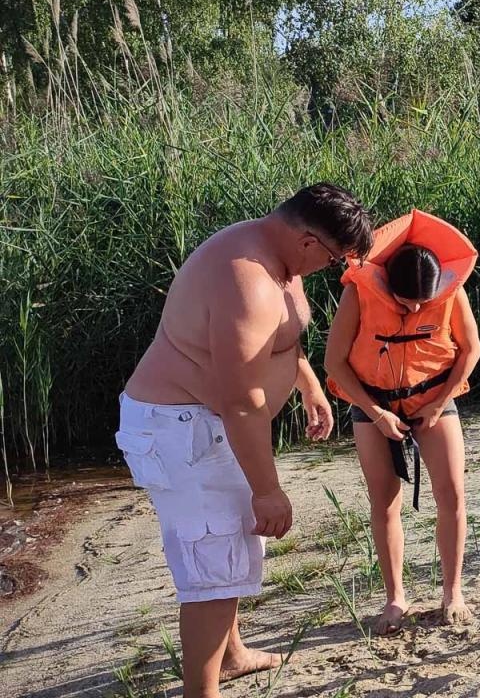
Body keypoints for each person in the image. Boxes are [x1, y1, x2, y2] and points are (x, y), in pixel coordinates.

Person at [118, 183, 373, 698]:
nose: (328, 267)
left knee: (230, 546)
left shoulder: (271, 251)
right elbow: (240, 402)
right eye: (330, 257)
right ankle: (202, 691)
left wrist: (306, 382)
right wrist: (267, 489)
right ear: (306, 241)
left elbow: (279, 337)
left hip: (208, 428)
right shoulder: (246, 279)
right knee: (212, 566)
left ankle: (231, 655)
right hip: (183, 431)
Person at [323, 209, 480, 634]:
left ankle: (453, 594)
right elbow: (334, 362)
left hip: (432, 399)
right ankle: (395, 599)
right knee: (384, 500)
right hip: (371, 403)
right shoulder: (359, 293)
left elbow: (470, 352)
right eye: (404, 301)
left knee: (452, 495)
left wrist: (438, 403)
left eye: (421, 303)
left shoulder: (451, 292)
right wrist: (376, 414)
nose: (413, 308)